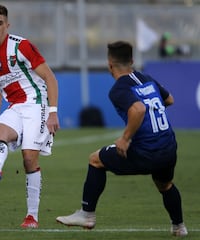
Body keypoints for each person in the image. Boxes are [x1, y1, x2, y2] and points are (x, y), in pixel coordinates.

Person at [56, 41, 187, 237]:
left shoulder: (119, 89)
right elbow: (169, 100)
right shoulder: (146, 78)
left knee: (96, 159)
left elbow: (139, 109)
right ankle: (179, 227)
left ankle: (87, 214)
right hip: (168, 147)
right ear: (132, 61)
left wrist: (125, 138)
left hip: (147, 151)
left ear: (110, 64)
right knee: (165, 184)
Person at [0, 4, 60, 229]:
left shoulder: (21, 47)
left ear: (7, 25)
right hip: (15, 107)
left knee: (29, 159)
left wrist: (53, 112)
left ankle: (32, 216)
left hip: (37, 104)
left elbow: (50, 77)